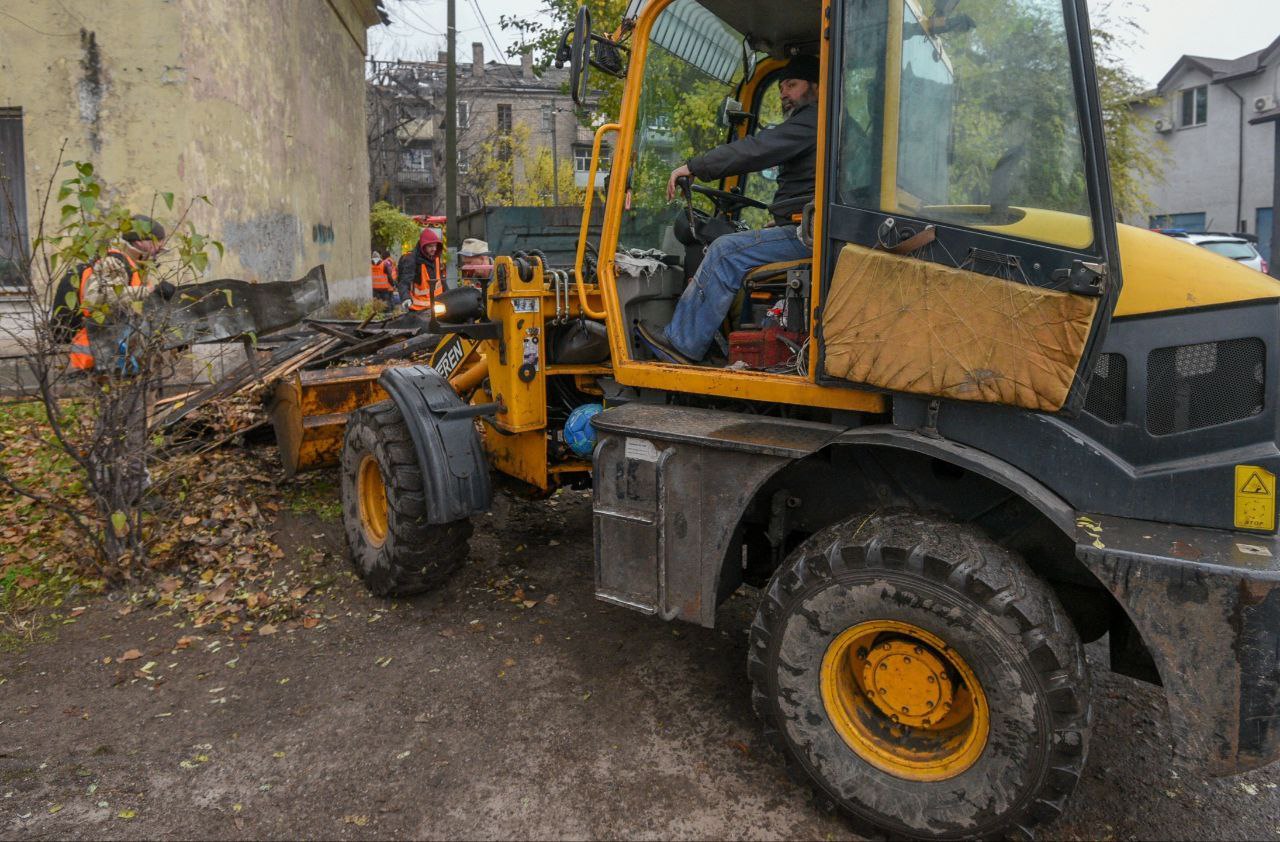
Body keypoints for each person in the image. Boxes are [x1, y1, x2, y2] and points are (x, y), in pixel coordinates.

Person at [636, 54, 820, 365]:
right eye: (780, 89)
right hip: (809, 228)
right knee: (740, 249)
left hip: (809, 235)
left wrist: (696, 166)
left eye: (792, 85)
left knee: (724, 251)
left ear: (817, 87)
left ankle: (682, 343)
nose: (784, 94)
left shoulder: (813, 120)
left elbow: (758, 149)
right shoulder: (822, 124)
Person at [68, 215, 168, 371]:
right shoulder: (113, 261)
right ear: (140, 241)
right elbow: (97, 298)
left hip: (117, 356)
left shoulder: (137, 265)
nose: (161, 246)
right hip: (96, 357)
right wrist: (148, 291)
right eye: (158, 241)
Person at [406, 227, 446, 312]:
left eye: (435, 245)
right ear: (423, 247)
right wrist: (405, 298)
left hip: (437, 307)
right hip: (418, 309)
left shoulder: (436, 258)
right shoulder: (412, 260)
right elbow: (405, 281)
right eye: (430, 246)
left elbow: (442, 281)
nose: (434, 249)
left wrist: (449, 296)